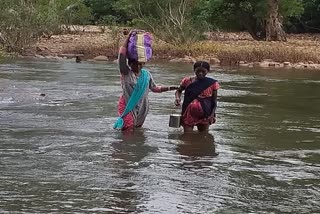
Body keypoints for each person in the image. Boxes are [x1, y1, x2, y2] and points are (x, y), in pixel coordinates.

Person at [114, 31, 178, 131]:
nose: (138, 66)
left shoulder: (146, 74)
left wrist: (171, 88)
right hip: (128, 106)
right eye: (135, 64)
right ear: (130, 64)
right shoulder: (126, 73)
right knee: (128, 130)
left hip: (142, 107)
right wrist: (128, 37)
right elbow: (121, 56)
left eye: (141, 64)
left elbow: (154, 88)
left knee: (137, 130)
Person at [174, 61, 220, 132]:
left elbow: (214, 100)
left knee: (203, 135)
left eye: (203, 71)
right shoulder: (187, 81)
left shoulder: (212, 83)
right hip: (188, 112)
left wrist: (212, 114)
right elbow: (178, 91)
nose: (200, 73)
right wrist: (177, 98)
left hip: (205, 113)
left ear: (208, 71)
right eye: (198, 71)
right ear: (194, 70)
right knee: (187, 136)